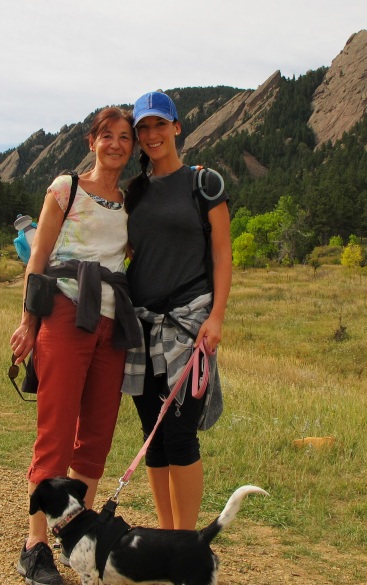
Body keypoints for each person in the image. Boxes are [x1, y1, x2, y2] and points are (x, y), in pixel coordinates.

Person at [10, 106, 140, 585]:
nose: (116, 144)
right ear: (92, 142)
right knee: (57, 433)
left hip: (112, 324)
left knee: (97, 438)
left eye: (125, 137)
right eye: (107, 136)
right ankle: (36, 545)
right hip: (65, 313)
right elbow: (38, 258)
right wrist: (28, 323)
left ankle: (80, 539)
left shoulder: (129, 202)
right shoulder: (65, 189)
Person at [122, 91, 232, 530]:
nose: (151, 135)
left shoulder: (203, 184)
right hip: (141, 326)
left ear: (177, 128)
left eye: (159, 125)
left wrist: (217, 316)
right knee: (154, 436)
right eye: (143, 128)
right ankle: (166, 538)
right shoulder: (135, 192)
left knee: (181, 434)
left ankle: (184, 542)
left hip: (188, 326)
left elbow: (223, 255)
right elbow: (126, 252)